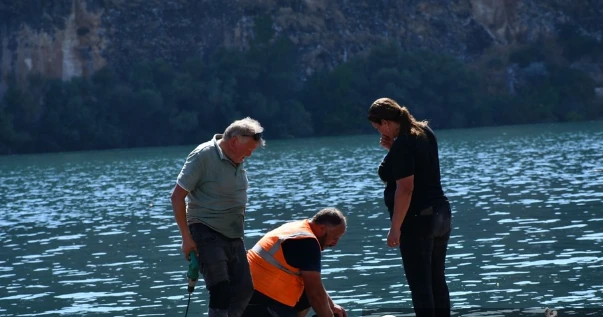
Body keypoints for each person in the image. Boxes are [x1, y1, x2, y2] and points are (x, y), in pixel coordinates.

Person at [170, 117, 265, 317]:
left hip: (233, 234)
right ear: (233, 142)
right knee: (220, 289)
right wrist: (186, 239)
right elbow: (177, 197)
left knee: (244, 289)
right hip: (205, 230)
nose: (249, 155)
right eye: (248, 150)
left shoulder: (237, 159)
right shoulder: (203, 156)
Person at [367, 97, 452, 317]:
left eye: (378, 127)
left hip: (419, 219)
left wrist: (395, 227)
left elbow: (406, 189)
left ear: (386, 122)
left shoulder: (404, 142)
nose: (379, 132)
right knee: (436, 280)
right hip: (441, 213)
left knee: (420, 285)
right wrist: (393, 149)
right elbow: (419, 165)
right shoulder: (424, 132)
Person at [241, 207, 348, 317]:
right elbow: (315, 295)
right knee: (314, 297)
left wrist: (331, 305)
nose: (334, 243)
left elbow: (316, 286)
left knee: (310, 292)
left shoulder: (297, 228)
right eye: (335, 238)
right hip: (261, 303)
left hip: (245, 293)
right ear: (322, 228)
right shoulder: (307, 242)